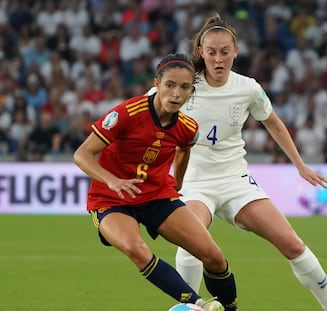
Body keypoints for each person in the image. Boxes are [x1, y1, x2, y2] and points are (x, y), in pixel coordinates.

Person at [173, 14, 327, 311]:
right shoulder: (183, 85)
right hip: (194, 183)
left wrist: (301, 166)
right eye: (212, 52)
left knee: (293, 244)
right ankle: (187, 307)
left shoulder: (248, 88)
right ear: (201, 52)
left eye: (225, 52)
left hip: (236, 181)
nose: (218, 59)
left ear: (236, 52)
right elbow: (145, 114)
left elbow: (275, 124)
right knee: (191, 242)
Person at [73, 53, 238, 311]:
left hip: (157, 197)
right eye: (170, 85)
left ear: (190, 91)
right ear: (157, 84)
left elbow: (185, 148)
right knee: (136, 249)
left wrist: (177, 183)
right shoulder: (127, 113)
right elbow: (81, 154)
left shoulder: (187, 127)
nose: (176, 93)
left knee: (214, 258)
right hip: (111, 200)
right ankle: (199, 305)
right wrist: (112, 180)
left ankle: (229, 309)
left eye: (184, 87)